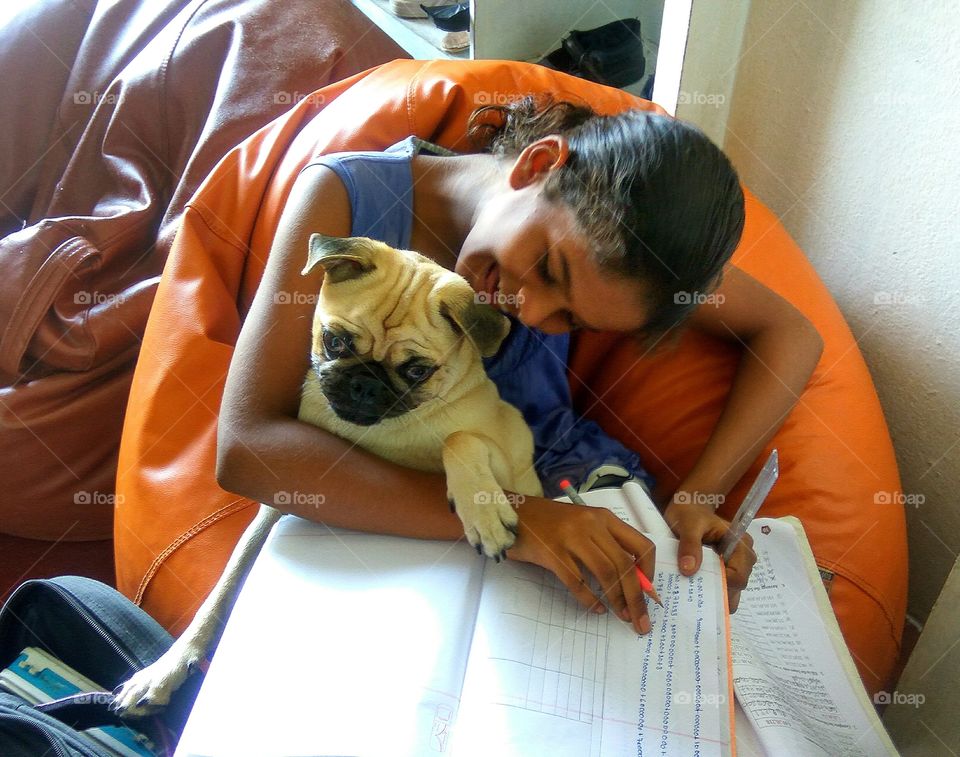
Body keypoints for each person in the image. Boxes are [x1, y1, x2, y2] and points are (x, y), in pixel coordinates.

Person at [215, 96, 823, 637]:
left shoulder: (633, 258)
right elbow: (247, 446)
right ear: (537, 166)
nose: (526, 310)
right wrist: (509, 517)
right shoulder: (347, 200)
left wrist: (696, 497)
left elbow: (791, 332)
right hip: (413, 498)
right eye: (551, 269)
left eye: (572, 323)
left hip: (568, 487)